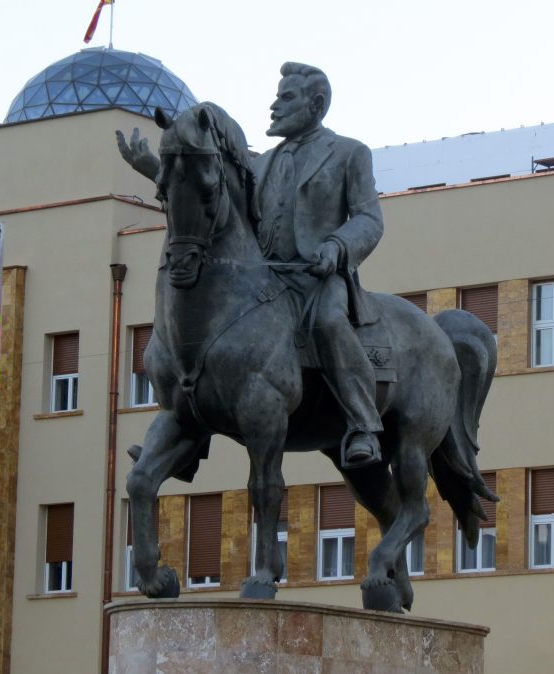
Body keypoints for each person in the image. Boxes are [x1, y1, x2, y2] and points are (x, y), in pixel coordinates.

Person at [117, 62, 385, 468]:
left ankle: (363, 423)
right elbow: (213, 195)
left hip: (315, 277)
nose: (275, 105)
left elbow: (369, 219)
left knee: (329, 323)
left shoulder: (350, 153)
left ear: (316, 104)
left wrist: (336, 247)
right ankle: (190, 433)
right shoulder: (259, 165)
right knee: (205, 328)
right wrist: (154, 169)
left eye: (286, 97)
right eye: (277, 96)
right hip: (264, 277)